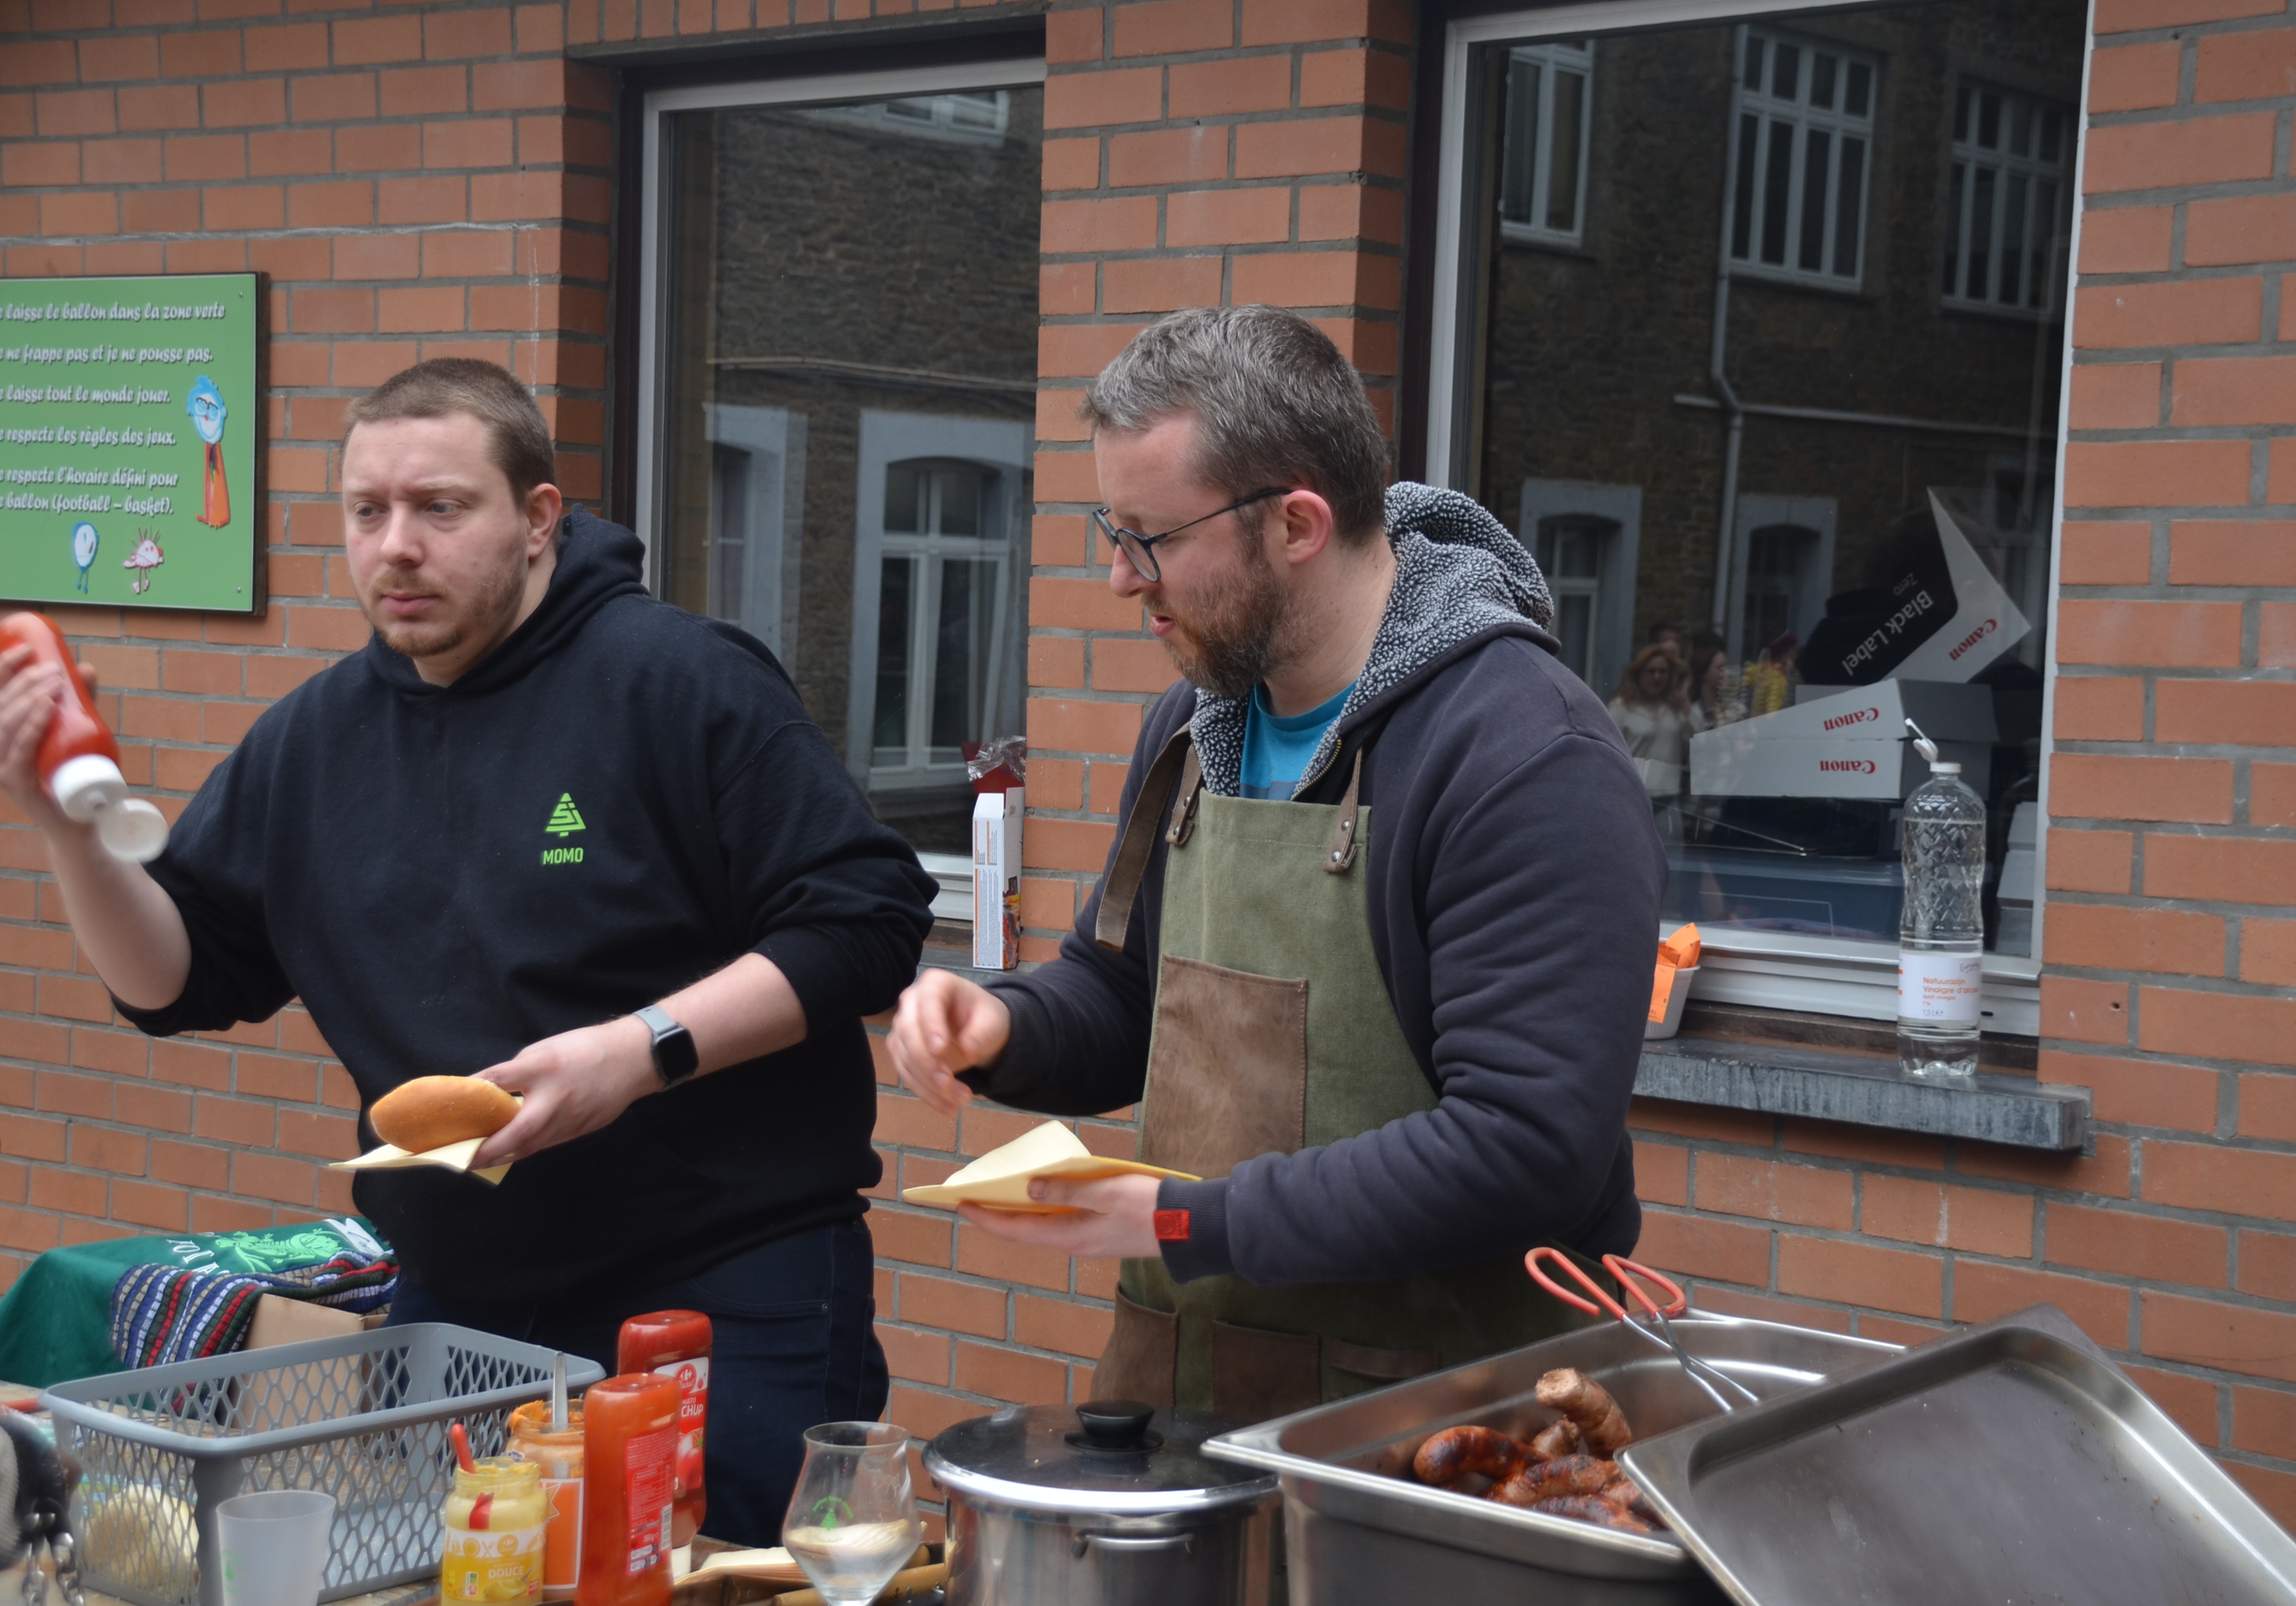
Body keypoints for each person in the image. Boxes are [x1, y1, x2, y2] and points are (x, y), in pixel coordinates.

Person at [0, 358, 934, 1546]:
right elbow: (172, 981)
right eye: (367, 511)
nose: (396, 547)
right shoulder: (313, 739)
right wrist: (67, 834)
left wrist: (637, 1053)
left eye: (441, 508)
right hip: (458, 1303)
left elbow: (865, 921)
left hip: (723, 1290)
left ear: (538, 518)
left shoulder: (680, 681)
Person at [887, 306, 1663, 1420]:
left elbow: (1526, 1149)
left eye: (1150, 537)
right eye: (1109, 530)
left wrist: (1186, 1221)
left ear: (1297, 523)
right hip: (1188, 1407)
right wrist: (1001, 1026)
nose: (1119, 579)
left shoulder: (1524, 755)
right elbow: (1125, 996)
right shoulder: (1191, 727)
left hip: (1440, 1438)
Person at [1609, 644, 1689, 798]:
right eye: (1651, 671)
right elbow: (1610, 753)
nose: (1657, 677)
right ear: (1638, 674)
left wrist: (1685, 704)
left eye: (1663, 672)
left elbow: (1693, 747)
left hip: (1669, 796)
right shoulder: (1622, 708)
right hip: (1633, 795)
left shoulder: (1674, 709)